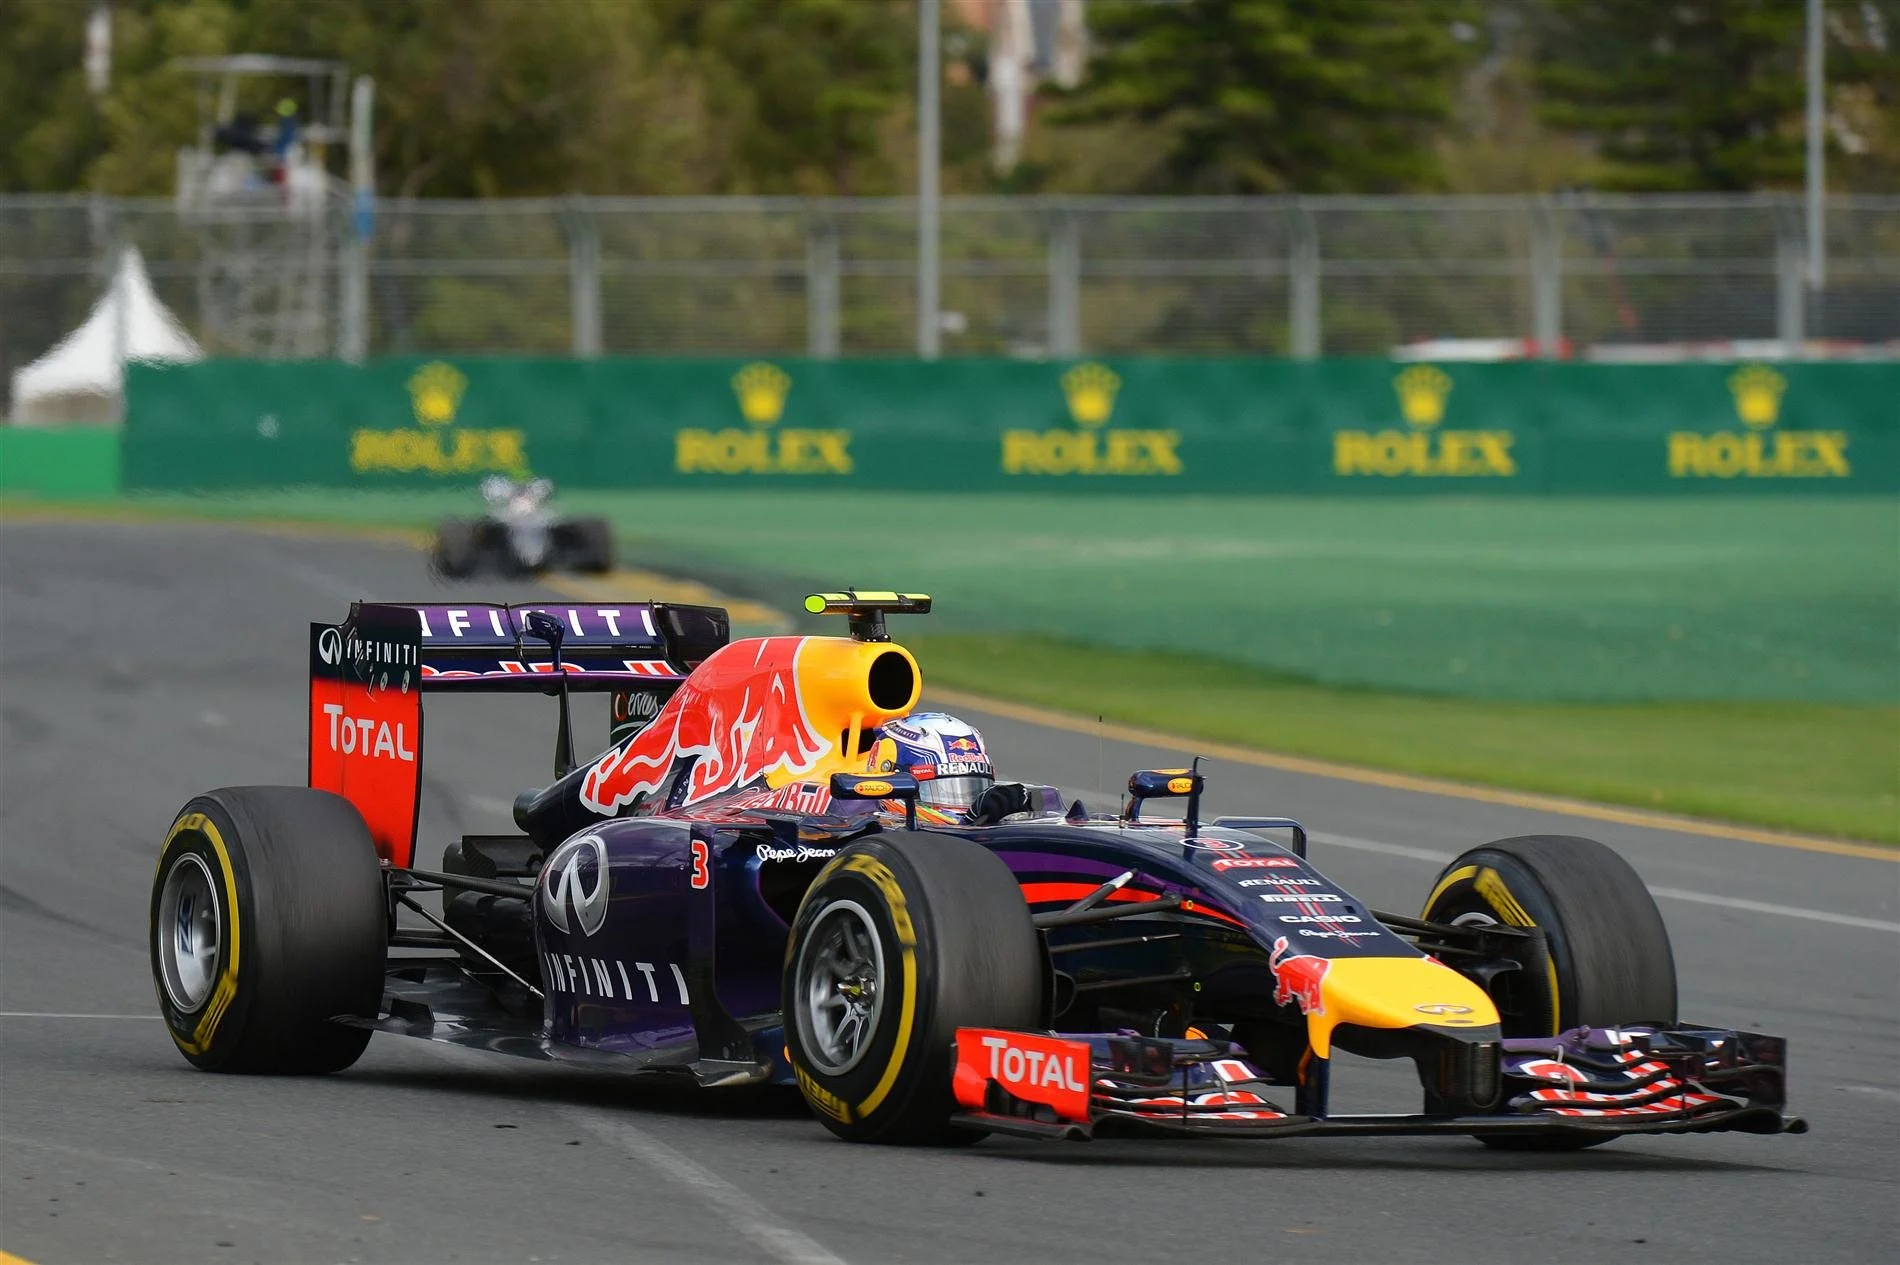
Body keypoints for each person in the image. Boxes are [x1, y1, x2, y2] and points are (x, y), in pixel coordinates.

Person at [865, 712, 1036, 825]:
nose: (965, 807)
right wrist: (968, 825)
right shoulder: (858, 824)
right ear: (892, 778)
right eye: (944, 790)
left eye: (974, 788)